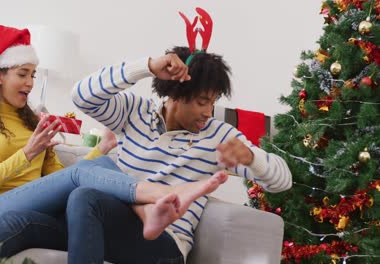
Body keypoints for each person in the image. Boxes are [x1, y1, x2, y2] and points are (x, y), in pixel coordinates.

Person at [0, 25, 230, 260]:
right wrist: (27, 152)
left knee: (42, 214)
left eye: (33, 75)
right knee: (89, 174)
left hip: (26, 214)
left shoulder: (32, 121)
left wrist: (101, 149)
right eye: (22, 74)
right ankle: (152, 196)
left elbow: (60, 180)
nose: (30, 83)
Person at [71, 46, 293, 263]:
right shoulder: (134, 112)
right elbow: (82, 96)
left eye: (212, 103)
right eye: (202, 102)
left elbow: (283, 181)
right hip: (119, 224)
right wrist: (147, 67)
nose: (208, 112)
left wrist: (252, 158)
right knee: (36, 221)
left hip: (165, 244)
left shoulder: (218, 136)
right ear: (175, 93)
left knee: (85, 196)